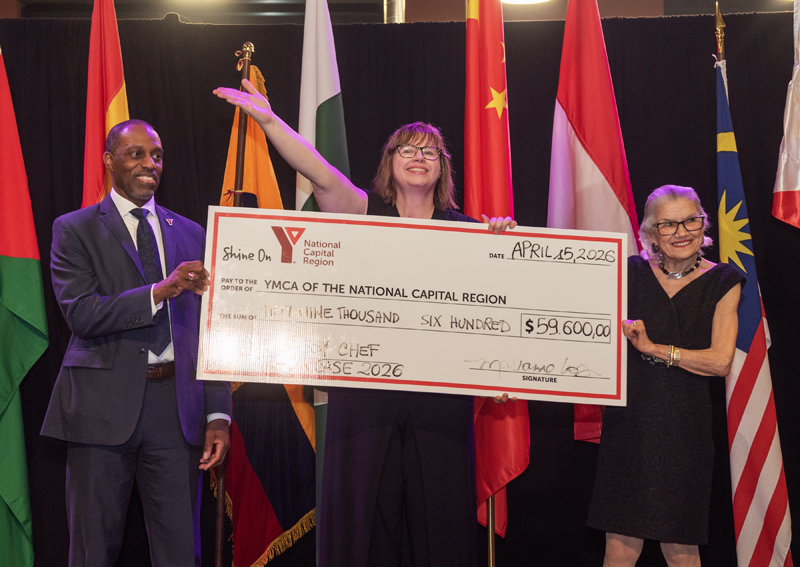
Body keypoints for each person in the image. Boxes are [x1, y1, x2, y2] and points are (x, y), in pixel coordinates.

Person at [214, 80, 514, 567]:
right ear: (389, 163)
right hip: (364, 403)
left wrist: (504, 244)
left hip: (440, 407)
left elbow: (497, 314)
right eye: (407, 149)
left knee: (438, 528)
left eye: (430, 152)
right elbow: (317, 169)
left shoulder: (468, 232)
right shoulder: (362, 211)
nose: (418, 157)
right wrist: (269, 121)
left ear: (443, 168)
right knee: (363, 529)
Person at [42, 119, 232, 567]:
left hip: (176, 412)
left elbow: (213, 327)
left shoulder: (192, 233)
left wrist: (218, 412)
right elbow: (82, 314)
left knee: (180, 553)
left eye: (157, 156)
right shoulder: (74, 229)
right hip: (99, 411)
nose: (150, 164)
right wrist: (159, 291)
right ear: (109, 161)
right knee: (92, 551)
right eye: (137, 154)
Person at [587, 185, 745, 567]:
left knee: (681, 552)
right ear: (651, 234)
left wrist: (654, 349)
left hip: (685, 432)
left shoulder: (724, 281)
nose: (681, 232)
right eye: (668, 224)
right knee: (619, 548)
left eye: (691, 220)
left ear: (704, 224)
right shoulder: (628, 272)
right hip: (628, 427)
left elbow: (721, 362)